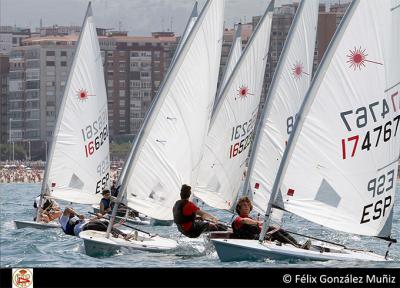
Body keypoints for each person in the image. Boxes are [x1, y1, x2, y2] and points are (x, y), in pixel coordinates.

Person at [232, 196, 311, 249]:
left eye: (248, 205)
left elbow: (258, 227)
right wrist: (257, 223)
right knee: (274, 232)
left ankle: (298, 245)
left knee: (276, 229)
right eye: (244, 205)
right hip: (251, 240)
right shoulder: (238, 219)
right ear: (239, 208)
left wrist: (265, 226)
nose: (246, 207)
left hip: (259, 238)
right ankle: (297, 248)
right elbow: (244, 221)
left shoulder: (250, 219)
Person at [59, 207, 130, 239]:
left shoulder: (77, 219)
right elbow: (67, 209)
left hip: (88, 225)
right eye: (72, 210)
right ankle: (115, 234)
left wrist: (98, 216)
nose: (72, 211)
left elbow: (91, 220)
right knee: (98, 224)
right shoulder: (63, 220)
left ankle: (123, 235)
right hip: (83, 229)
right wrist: (78, 215)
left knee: (105, 222)